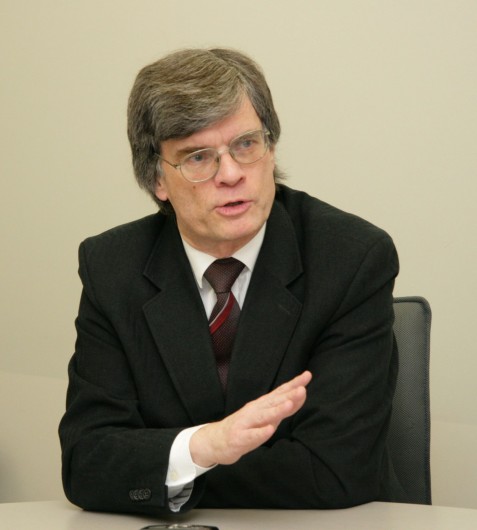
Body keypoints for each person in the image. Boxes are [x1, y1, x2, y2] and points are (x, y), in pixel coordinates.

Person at [59, 48, 404, 516]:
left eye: (245, 144)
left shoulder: (350, 259)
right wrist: (207, 445)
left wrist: (169, 463)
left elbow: (335, 470)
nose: (231, 174)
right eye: (198, 157)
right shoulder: (112, 268)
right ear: (157, 178)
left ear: (271, 148)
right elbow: (87, 463)